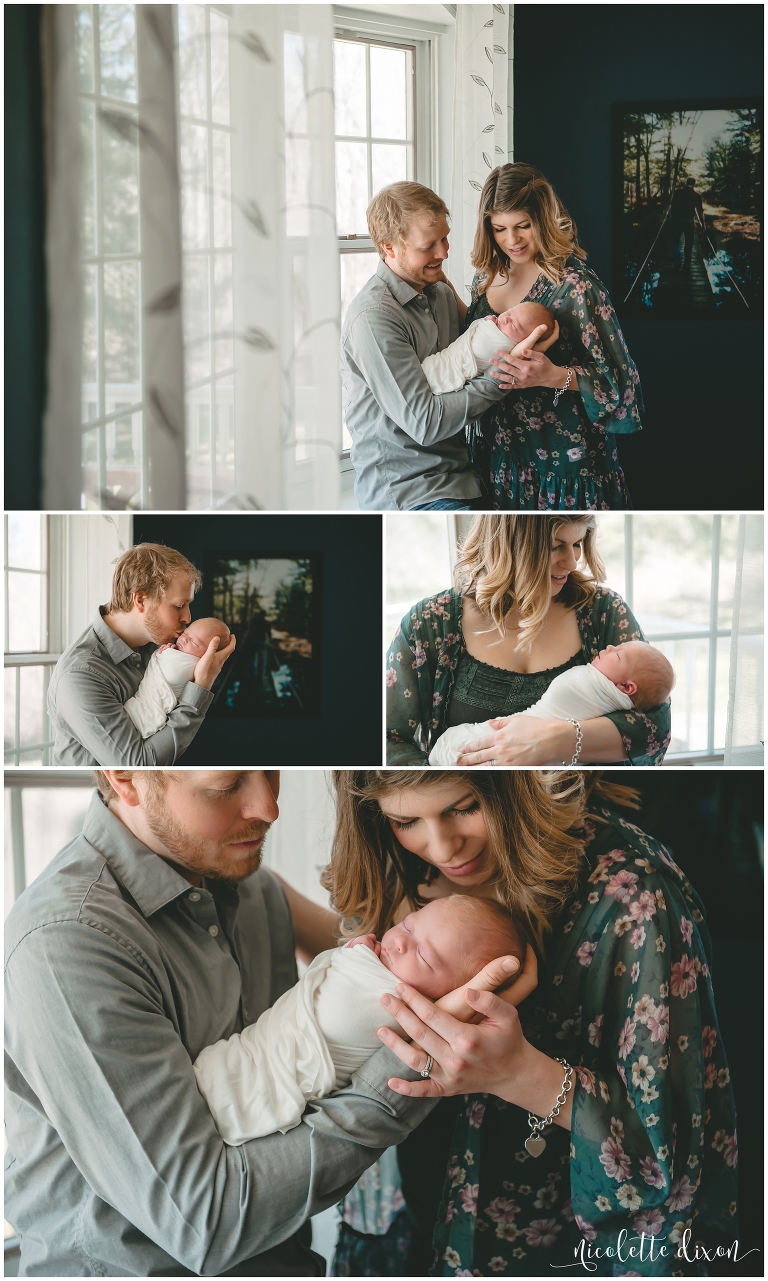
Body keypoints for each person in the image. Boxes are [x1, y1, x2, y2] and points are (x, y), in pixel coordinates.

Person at [4, 769, 516, 1277]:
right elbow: (207, 1224)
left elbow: (373, 959)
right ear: (126, 777)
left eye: (271, 771)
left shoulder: (251, 888)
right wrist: (411, 1067)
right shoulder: (68, 942)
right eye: (227, 786)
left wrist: (502, 963)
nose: (268, 808)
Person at [325, 770, 738, 1277]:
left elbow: (673, 1149)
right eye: (406, 819)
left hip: (546, 1243)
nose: (443, 848)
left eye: (464, 807)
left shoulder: (632, 898)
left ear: (516, 782)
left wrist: (519, 1074)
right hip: (413, 1212)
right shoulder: (400, 865)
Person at [193, 896, 524, 1145]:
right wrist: (351, 953)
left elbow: (342, 1019)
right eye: (409, 924)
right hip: (242, 1054)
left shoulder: (400, 1005)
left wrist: (450, 1008)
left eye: (423, 956)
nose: (398, 941)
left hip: (263, 1089)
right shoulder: (377, 961)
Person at [386, 514, 671, 767]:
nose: (571, 562)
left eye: (577, 544)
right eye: (555, 546)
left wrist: (556, 741)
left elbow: (655, 725)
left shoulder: (603, 612)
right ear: (506, 545)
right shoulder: (429, 623)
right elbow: (389, 741)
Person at [340, 181, 555, 512]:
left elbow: (473, 351)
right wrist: (506, 375)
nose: (444, 253)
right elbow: (425, 423)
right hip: (409, 490)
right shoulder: (373, 317)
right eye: (429, 246)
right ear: (389, 248)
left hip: (464, 477)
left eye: (445, 238)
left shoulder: (439, 293)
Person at [465, 163, 643, 510]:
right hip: (501, 459)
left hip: (565, 467)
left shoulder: (576, 286)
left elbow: (624, 387)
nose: (511, 240)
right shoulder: (485, 280)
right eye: (499, 228)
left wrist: (554, 375)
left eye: (523, 226)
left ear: (543, 220)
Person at [47, 543, 236, 765]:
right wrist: (201, 687)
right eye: (179, 605)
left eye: (188, 605)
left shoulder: (163, 645)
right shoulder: (80, 676)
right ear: (140, 600)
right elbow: (138, 765)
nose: (187, 617)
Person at [429, 641, 674, 766]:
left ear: (626, 688)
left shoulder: (595, 687)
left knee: (466, 747)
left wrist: (557, 739)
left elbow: (657, 725)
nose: (609, 647)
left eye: (618, 653)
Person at [124, 616, 232, 738]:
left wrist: (165, 654)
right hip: (137, 706)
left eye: (194, 642)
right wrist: (166, 652)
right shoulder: (179, 654)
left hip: (146, 717)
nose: (184, 639)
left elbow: (173, 672)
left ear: (208, 655)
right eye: (186, 633)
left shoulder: (194, 663)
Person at [421, 301, 555, 394]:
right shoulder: (497, 326)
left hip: (447, 376)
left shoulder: (507, 344)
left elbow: (481, 348)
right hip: (438, 361)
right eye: (508, 313)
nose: (505, 319)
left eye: (514, 325)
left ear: (525, 340)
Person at [670, 177, 706, 272]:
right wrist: (703, 225)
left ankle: (677, 262)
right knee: (689, 244)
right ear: (694, 184)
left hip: (677, 221)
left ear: (686, 183)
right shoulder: (697, 196)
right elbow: (700, 211)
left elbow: (672, 207)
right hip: (690, 222)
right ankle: (687, 265)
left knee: (673, 242)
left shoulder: (677, 193)